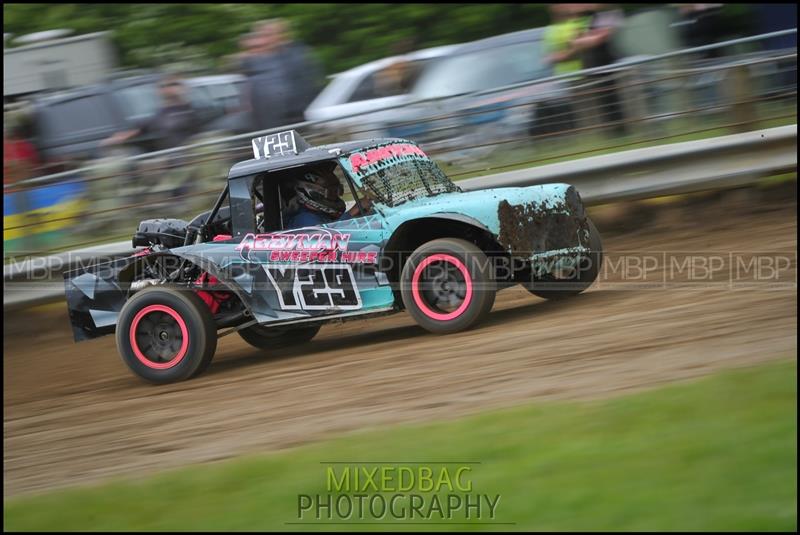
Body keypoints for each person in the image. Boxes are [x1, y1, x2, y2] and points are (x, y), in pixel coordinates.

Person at [239, 19, 323, 130]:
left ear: (281, 35)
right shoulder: (254, 61)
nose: (264, 40)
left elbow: (310, 83)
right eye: (262, 35)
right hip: (270, 120)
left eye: (268, 35)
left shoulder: (297, 55)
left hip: (298, 114)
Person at [103, 74, 199, 152]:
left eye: (174, 84)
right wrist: (119, 138)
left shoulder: (196, 109)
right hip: (171, 160)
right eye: (163, 86)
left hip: (194, 157)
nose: (169, 88)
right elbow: (143, 127)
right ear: (159, 91)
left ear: (185, 88)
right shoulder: (160, 114)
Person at [285, 166, 372, 229]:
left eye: (338, 189)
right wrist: (353, 211)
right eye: (332, 192)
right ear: (313, 193)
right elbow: (329, 237)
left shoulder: (322, 214)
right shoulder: (304, 219)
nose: (337, 195)